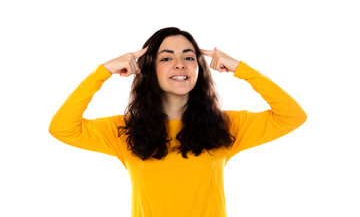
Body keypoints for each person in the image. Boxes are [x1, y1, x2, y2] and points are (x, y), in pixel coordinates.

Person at [49, 27, 307, 217]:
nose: (180, 64)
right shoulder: (125, 131)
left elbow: (292, 116)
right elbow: (62, 128)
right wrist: (102, 71)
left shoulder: (224, 126)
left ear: (199, 69)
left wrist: (241, 68)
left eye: (189, 57)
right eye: (166, 58)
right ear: (149, 69)